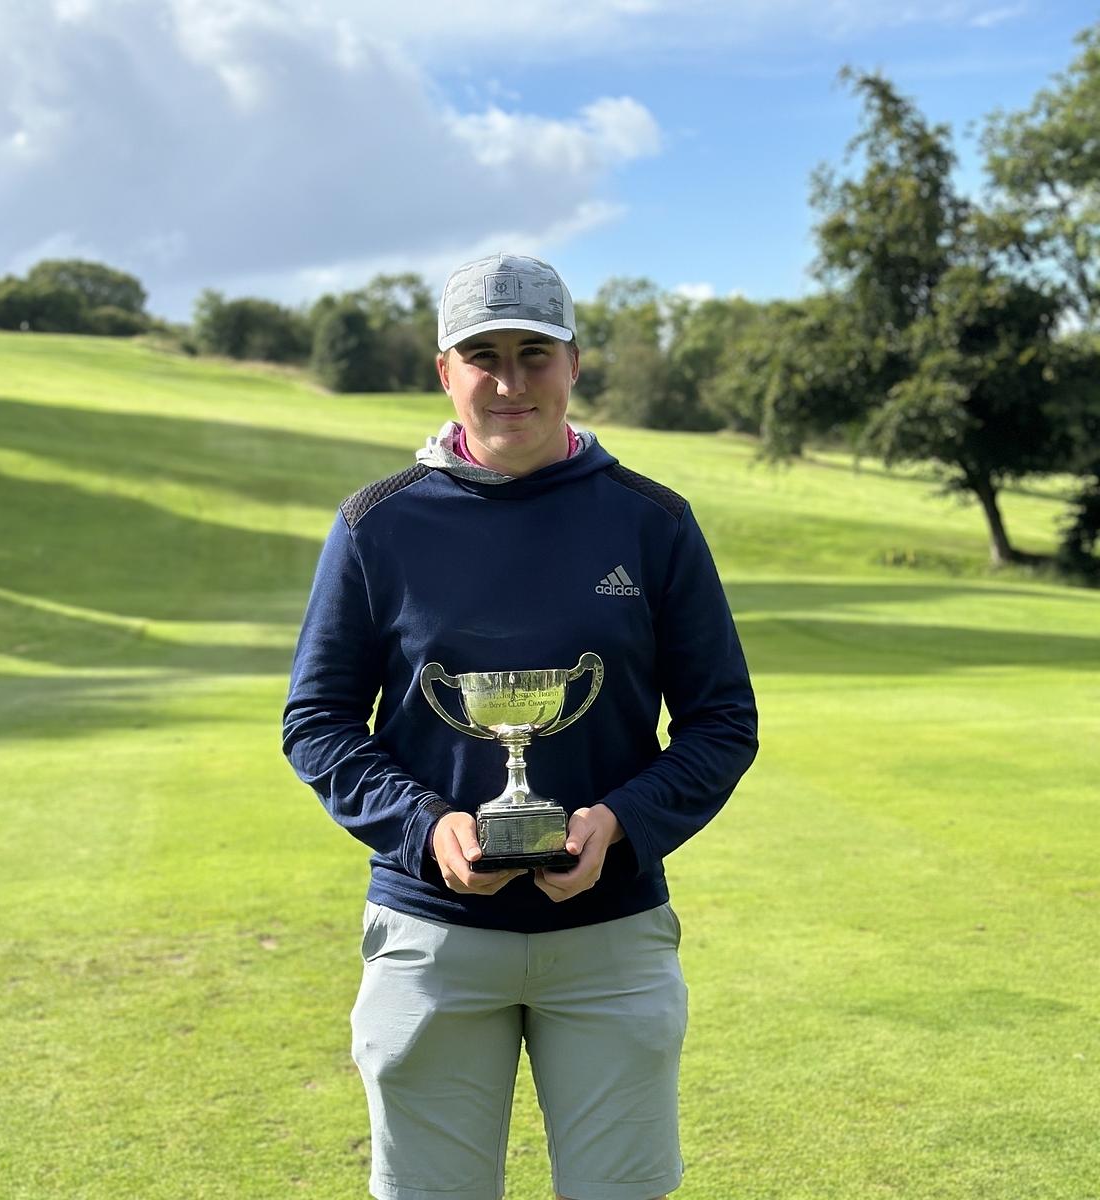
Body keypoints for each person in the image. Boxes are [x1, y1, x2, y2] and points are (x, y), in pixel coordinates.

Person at [283, 252, 758, 1200]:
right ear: (444, 371)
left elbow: (721, 721)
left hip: (611, 939)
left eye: (533, 353)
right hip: (433, 939)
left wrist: (619, 824)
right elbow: (318, 720)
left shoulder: (652, 521)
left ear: (574, 363)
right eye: (483, 355)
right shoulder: (377, 524)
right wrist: (428, 828)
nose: (509, 382)